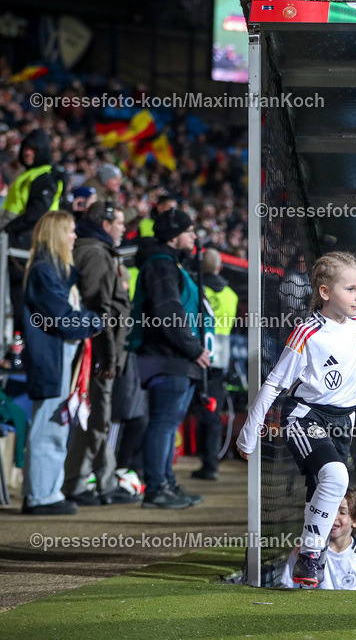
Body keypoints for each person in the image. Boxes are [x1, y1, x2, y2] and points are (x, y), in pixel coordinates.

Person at [236, 251, 356, 588]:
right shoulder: (309, 332)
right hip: (306, 416)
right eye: (350, 289)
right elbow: (276, 382)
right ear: (325, 292)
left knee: (322, 492)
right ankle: (311, 553)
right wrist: (249, 432)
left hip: (344, 422)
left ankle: (310, 565)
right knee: (338, 476)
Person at [20, 210, 101, 515]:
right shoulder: (43, 270)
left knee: (55, 427)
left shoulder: (51, 270)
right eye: (69, 231)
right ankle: (40, 496)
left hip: (57, 358)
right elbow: (62, 319)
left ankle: (45, 492)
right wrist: (94, 320)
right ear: (56, 234)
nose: (74, 237)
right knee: (48, 428)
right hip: (50, 358)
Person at [129, 208, 211, 509]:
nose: (194, 237)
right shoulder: (161, 265)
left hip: (169, 356)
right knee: (163, 423)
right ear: (175, 236)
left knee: (167, 422)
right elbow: (169, 313)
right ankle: (156, 488)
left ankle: (165, 483)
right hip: (167, 357)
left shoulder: (167, 263)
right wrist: (193, 348)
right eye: (189, 231)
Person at [63, 202, 135, 505]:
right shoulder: (94, 252)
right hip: (96, 355)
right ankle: (76, 485)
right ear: (105, 224)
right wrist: (107, 356)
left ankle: (104, 483)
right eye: (119, 223)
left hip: (102, 353)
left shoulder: (98, 250)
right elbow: (98, 311)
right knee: (93, 421)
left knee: (99, 422)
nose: (123, 228)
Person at [3, 128, 66, 333]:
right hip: (19, 241)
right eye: (26, 148)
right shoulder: (31, 174)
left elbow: (37, 212)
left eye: (33, 149)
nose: (28, 153)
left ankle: (23, 343)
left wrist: (8, 230)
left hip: (27, 243)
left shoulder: (44, 176)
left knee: (22, 297)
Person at [193, 248, 237, 481]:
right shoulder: (231, 294)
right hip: (221, 359)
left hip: (198, 354)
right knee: (213, 410)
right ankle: (210, 463)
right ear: (219, 267)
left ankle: (207, 464)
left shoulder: (197, 289)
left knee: (201, 413)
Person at [280, 488, 356, 590]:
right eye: (330, 511)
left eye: (342, 512)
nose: (334, 517)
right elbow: (288, 586)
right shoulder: (306, 550)